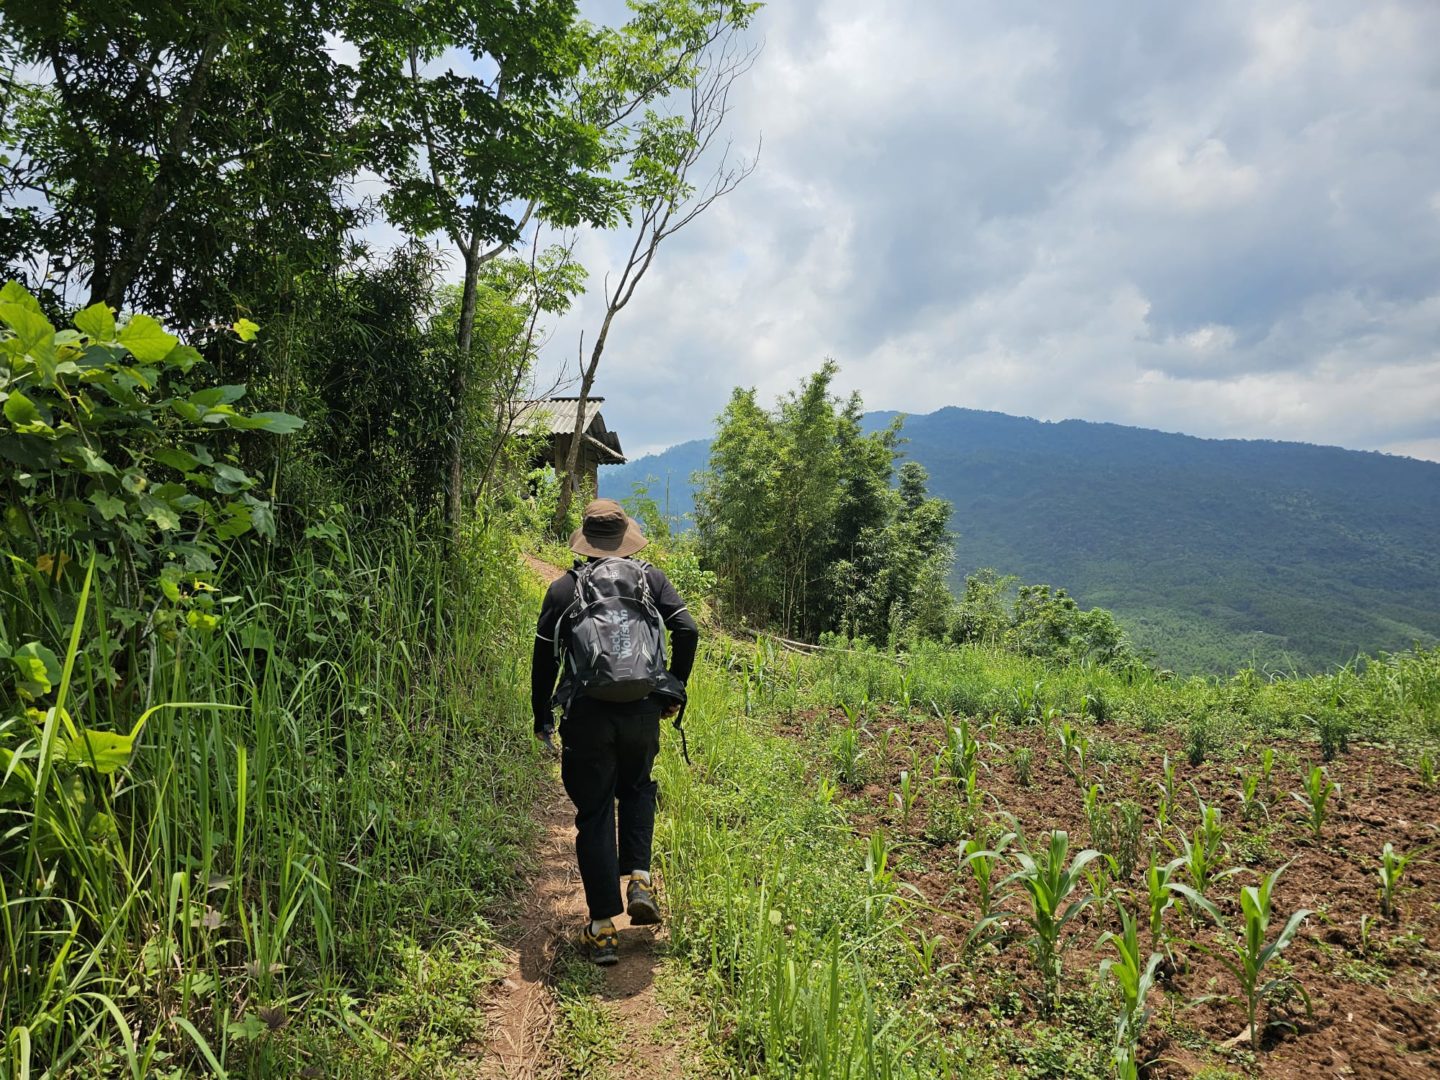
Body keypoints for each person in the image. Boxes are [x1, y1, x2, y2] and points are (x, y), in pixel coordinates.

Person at [531, 498, 699, 965]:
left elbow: (544, 658)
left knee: (596, 810)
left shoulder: (565, 588)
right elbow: (688, 630)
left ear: (586, 541)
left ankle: (603, 929)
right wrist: (672, 692)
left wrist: (541, 715)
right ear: (625, 539)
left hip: (587, 714)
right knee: (639, 788)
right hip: (644, 709)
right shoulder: (651, 580)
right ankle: (641, 878)